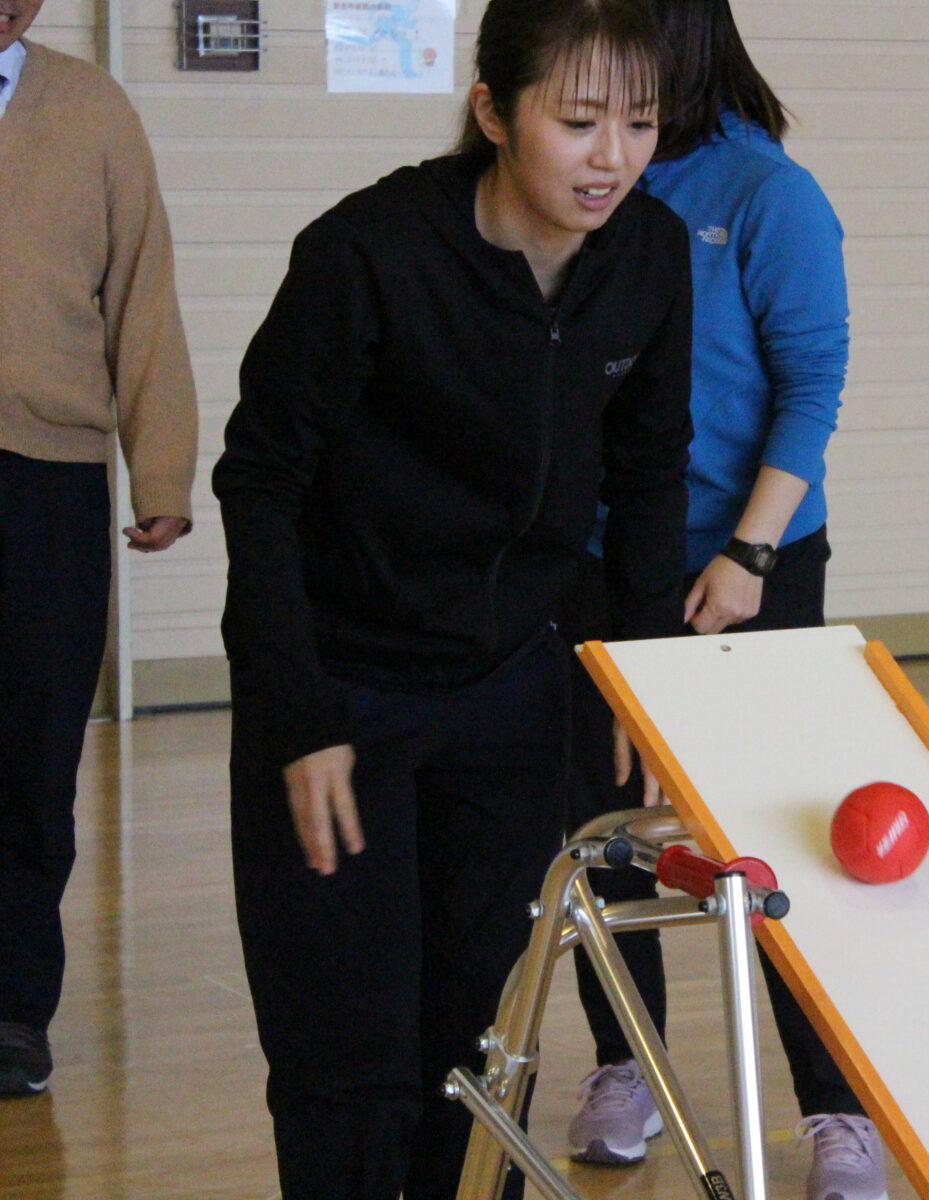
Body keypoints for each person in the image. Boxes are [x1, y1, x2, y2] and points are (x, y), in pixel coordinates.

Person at [210, 0, 691, 1193]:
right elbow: (260, 481)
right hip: (346, 690)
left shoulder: (652, 255)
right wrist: (297, 713)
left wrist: (643, 678)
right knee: (347, 1047)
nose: (612, 156)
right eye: (579, 121)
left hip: (512, 691)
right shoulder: (367, 254)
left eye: (638, 122)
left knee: (482, 1035)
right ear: (493, 112)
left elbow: (647, 474)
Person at [557, 3, 876, 1197]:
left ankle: (836, 1110)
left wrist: (747, 553)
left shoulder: (762, 190)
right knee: (604, 830)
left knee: (771, 834)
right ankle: (622, 1063)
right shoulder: (584, 178)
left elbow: (814, 379)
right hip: (606, 559)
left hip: (752, 558)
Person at [0, 0, 198, 1097]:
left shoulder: (93, 111)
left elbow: (145, 300)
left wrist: (160, 467)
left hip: (47, 481)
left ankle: (14, 1008)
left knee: (32, 759)